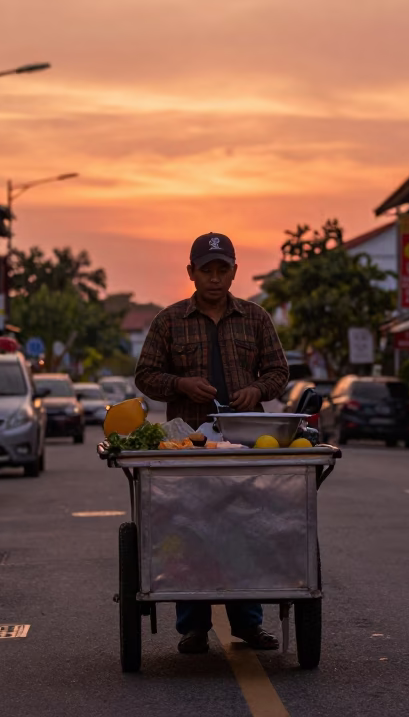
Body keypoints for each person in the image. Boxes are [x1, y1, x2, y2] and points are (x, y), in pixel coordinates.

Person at [135, 232, 290, 656]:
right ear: (192, 273)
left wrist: (257, 391)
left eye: (223, 270)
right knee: (190, 530)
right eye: (208, 271)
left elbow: (279, 370)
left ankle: (248, 624)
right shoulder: (168, 321)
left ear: (234, 272)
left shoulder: (256, 318)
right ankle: (193, 627)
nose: (216, 279)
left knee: (244, 528)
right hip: (189, 444)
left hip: (244, 444)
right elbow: (145, 376)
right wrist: (180, 384)